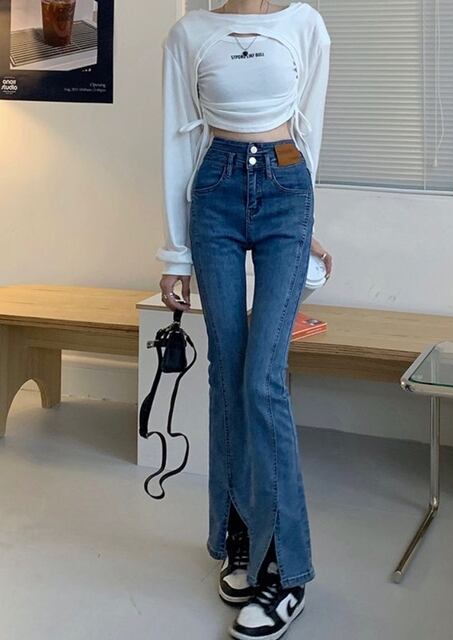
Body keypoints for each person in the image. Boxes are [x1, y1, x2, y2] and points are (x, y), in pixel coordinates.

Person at [157, 2, 332, 638]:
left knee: (263, 380)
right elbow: (178, 139)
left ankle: (285, 570)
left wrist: (307, 225)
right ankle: (240, 538)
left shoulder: (305, 25)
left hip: (287, 188)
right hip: (215, 194)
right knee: (227, 372)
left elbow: (310, 125)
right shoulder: (189, 34)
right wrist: (175, 254)